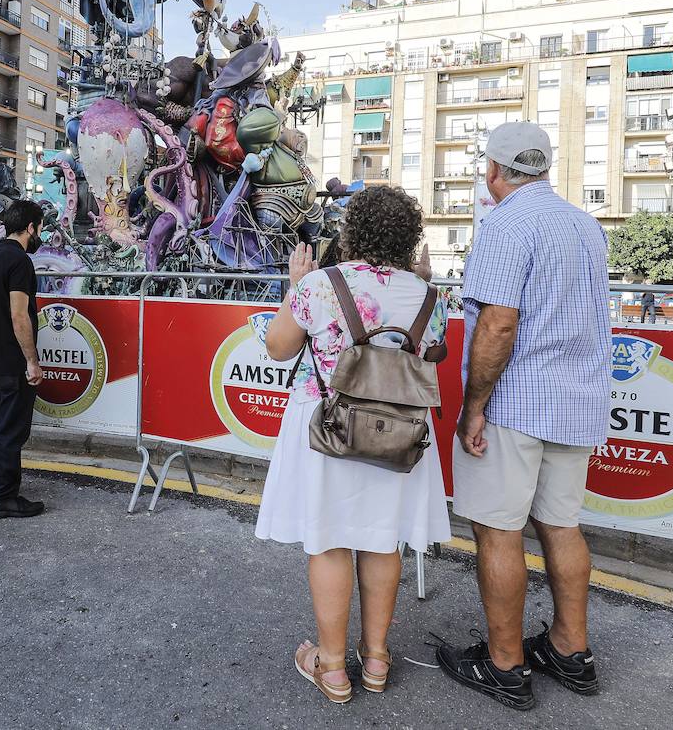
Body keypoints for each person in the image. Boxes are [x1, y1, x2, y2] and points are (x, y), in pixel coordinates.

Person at [436, 122, 609, 711]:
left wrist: (473, 408)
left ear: (493, 171)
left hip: (516, 403)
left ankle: (506, 664)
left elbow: (498, 325)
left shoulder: (506, 223)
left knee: (497, 529)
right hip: (576, 400)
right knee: (562, 524)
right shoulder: (585, 224)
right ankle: (570, 649)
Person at [256, 186, 452, 705]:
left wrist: (294, 287)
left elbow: (277, 349)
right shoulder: (429, 295)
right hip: (400, 434)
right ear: (409, 236)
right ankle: (378, 659)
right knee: (382, 540)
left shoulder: (321, 284)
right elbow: (434, 355)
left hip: (329, 428)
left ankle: (332, 666)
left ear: (352, 231)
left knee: (331, 541)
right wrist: (420, 288)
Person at [0, 200, 45, 519]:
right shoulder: (19, 262)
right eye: (40, 227)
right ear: (31, 227)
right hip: (11, 362)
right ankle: (4, 498)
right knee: (11, 431)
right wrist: (32, 360)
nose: (40, 233)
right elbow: (19, 316)